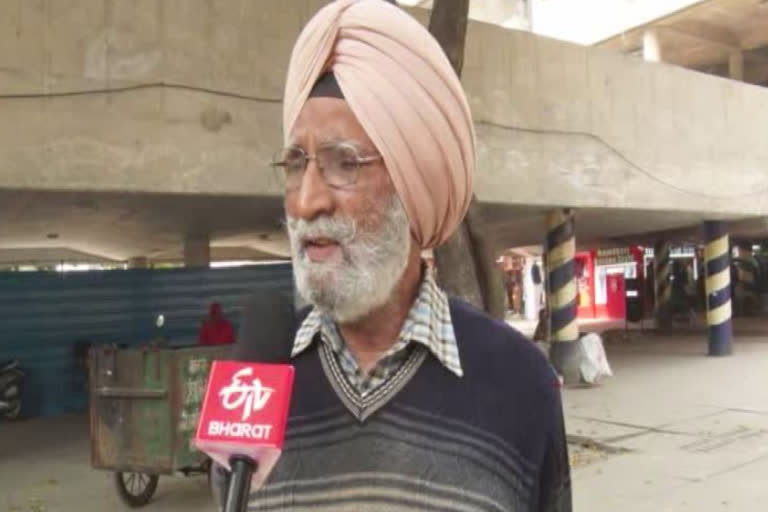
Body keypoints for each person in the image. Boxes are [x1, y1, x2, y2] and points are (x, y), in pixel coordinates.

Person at [239, 1, 571, 510]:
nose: (306, 202)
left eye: (343, 163)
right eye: (295, 163)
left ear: (413, 189)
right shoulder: (253, 390)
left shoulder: (521, 384)